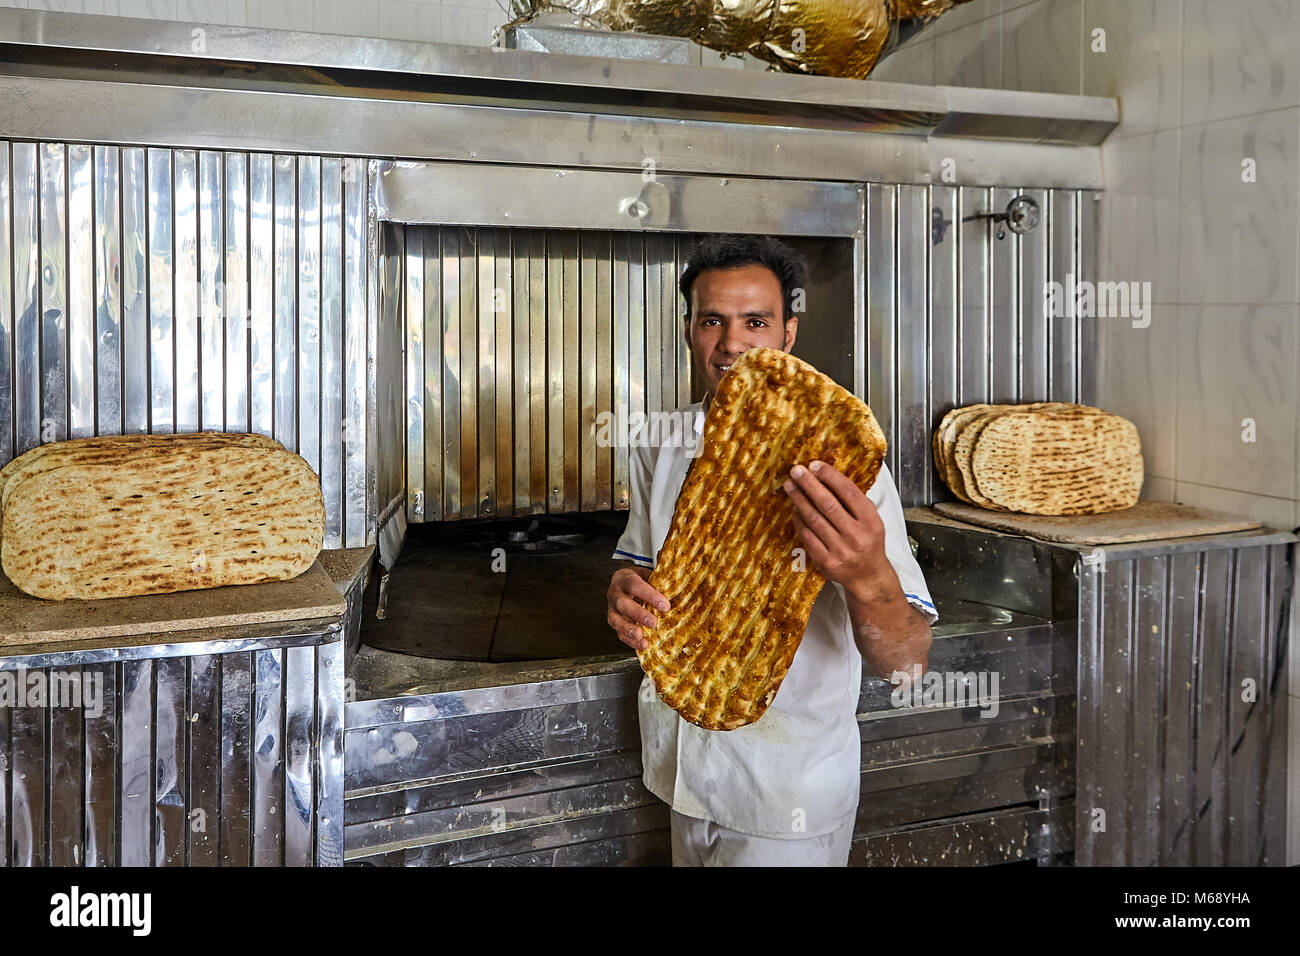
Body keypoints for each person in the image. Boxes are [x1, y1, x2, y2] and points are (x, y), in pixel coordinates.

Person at [606, 234, 937, 867]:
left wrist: (868, 576)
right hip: (677, 774)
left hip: (785, 795)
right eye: (713, 321)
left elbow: (908, 663)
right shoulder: (663, 445)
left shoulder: (846, 467)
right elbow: (642, 571)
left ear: (787, 334)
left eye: (756, 321)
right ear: (689, 331)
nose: (733, 345)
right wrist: (622, 592)